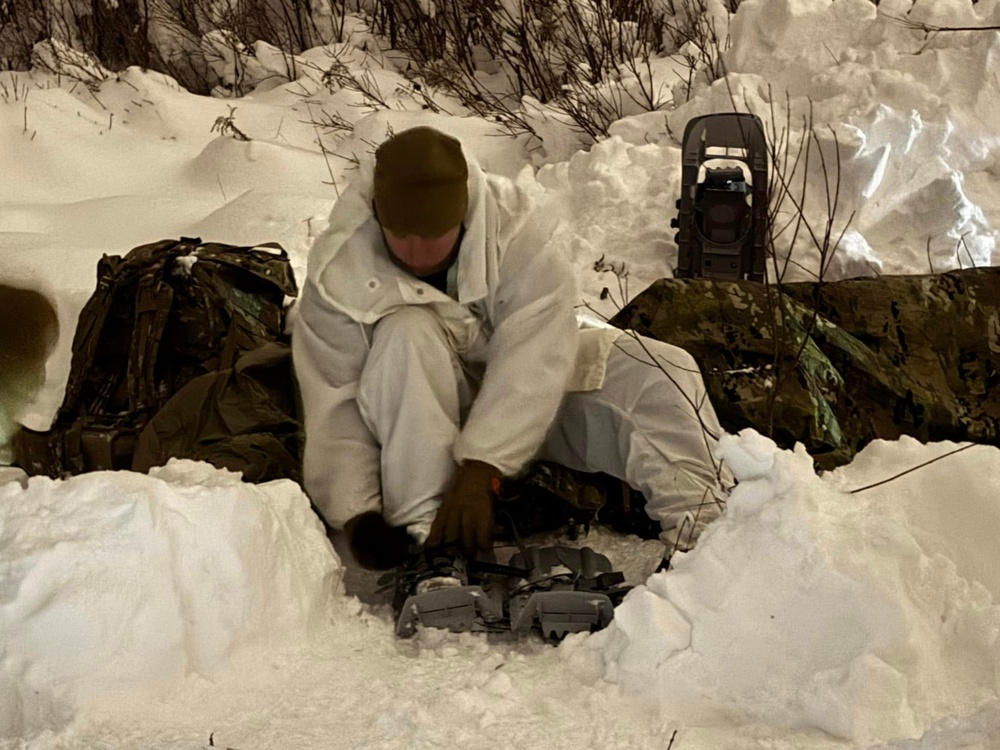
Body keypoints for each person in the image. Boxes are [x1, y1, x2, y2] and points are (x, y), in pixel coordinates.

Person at [292, 125, 732, 570]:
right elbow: (334, 398)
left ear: (463, 215)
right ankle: (433, 550)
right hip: (413, 415)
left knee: (663, 368)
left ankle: (707, 542)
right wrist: (357, 514)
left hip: (526, 399)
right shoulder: (337, 274)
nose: (418, 253)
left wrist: (483, 467)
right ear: (377, 215)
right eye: (401, 235)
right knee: (407, 331)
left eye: (435, 235)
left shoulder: (514, 230)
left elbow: (536, 353)